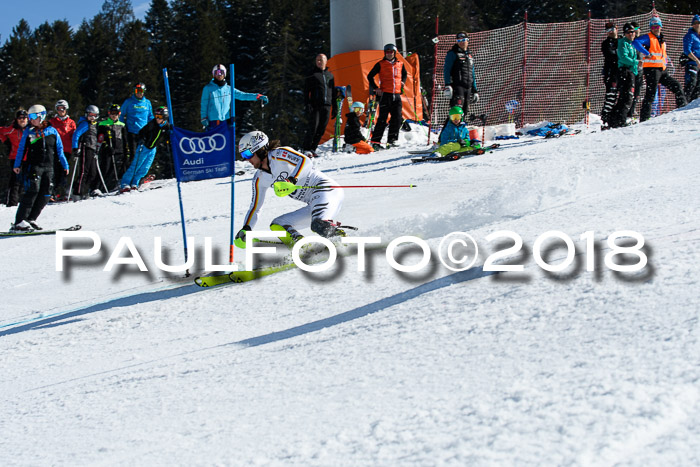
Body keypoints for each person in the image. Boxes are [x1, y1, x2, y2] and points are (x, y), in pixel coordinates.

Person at [235, 130, 346, 249]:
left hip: (327, 190)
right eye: (243, 156)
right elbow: (255, 207)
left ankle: (344, 242)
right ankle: (303, 248)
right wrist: (247, 228)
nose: (246, 160)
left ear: (259, 149)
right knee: (278, 225)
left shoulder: (279, 154)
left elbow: (305, 161)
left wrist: (292, 180)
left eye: (247, 154)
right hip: (313, 203)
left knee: (319, 225)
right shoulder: (259, 179)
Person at [11, 105, 68, 231]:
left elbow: (59, 150)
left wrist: (65, 165)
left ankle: (31, 219)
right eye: (29, 117)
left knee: (46, 194)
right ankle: (19, 222)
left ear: (41, 116)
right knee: (32, 191)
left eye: (32, 117)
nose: (30, 120)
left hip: (49, 167)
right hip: (34, 167)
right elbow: (21, 149)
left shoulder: (52, 131)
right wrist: (17, 164)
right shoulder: (29, 132)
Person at [633, 16, 687, 122]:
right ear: (650, 28)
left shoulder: (662, 39)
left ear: (661, 26)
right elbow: (635, 42)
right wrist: (647, 53)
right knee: (651, 93)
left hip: (662, 70)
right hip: (652, 70)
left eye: (657, 26)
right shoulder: (648, 37)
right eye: (653, 27)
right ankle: (644, 118)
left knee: (677, 86)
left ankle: (683, 109)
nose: (655, 28)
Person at [200, 64, 268, 130]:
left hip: (225, 121)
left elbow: (243, 95)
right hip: (213, 121)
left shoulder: (229, 89)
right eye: (217, 73)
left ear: (225, 74)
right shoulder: (208, 88)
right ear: (213, 74)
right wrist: (204, 117)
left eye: (221, 72)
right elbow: (204, 103)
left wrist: (258, 96)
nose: (219, 75)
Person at [120, 106, 170, 192]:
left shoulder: (166, 126)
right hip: (144, 147)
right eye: (156, 116)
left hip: (152, 149)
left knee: (145, 168)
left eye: (160, 117)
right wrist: (142, 139)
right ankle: (125, 183)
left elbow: (169, 134)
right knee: (136, 165)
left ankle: (135, 183)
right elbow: (142, 132)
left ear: (165, 117)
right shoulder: (152, 124)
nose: (157, 119)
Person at [367, 43, 407, 150]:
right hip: (386, 94)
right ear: (385, 53)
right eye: (387, 52)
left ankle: (392, 140)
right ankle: (376, 141)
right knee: (382, 119)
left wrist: (403, 82)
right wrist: (376, 88)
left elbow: (405, 74)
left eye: (391, 52)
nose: (389, 54)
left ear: (394, 53)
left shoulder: (400, 63)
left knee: (397, 118)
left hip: (397, 95)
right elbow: (370, 76)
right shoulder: (381, 64)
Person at [302, 54, 335, 157]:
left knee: (322, 128)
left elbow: (332, 92)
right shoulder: (313, 74)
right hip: (315, 104)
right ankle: (306, 148)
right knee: (313, 127)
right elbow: (306, 91)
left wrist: (335, 107)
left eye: (321, 60)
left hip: (327, 105)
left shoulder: (330, 76)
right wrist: (307, 104)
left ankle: (313, 148)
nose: (319, 62)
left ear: (326, 61)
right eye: (317, 60)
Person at [610, 23, 639, 128]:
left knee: (626, 97)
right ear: (625, 33)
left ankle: (615, 119)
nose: (631, 34)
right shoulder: (623, 43)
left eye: (633, 32)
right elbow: (623, 58)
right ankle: (619, 120)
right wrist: (636, 62)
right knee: (626, 97)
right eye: (629, 32)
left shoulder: (632, 43)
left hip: (631, 72)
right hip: (624, 72)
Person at [443, 32, 479, 119]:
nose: (461, 42)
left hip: (468, 86)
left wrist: (475, 89)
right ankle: (451, 130)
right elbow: (446, 70)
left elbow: (472, 72)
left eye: (463, 40)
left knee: (465, 111)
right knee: (457, 110)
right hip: (457, 86)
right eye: (459, 40)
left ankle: (461, 130)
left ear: (467, 41)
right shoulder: (452, 53)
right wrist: (448, 85)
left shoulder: (469, 55)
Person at [71, 105, 103, 199]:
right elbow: (76, 135)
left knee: (92, 172)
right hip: (86, 147)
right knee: (84, 171)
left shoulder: (94, 124)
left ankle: (85, 190)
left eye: (94, 116)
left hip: (92, 149)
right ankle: (78, 192)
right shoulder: (85, 124)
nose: (92, 117)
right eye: (90, 115)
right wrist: (75, 148)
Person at [48, 99, 76, 201]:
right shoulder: (52, 122)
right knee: (55, 171)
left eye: (63, 108)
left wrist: (76, 146)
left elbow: (74, 135)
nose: (61, 111)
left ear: (66, 109)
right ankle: (52, 193)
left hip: (66, 150)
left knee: (65, 171)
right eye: (58, 109)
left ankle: (63, 192)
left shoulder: (71, 122)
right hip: (55, 150)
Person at [98, 104, 129, 192]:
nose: (113, 115)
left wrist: (126, 150)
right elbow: (100, 138)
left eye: (116, 113)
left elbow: (124, 138)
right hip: (108, 150)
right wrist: (106, 146)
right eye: (112, 113)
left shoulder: (122, 125)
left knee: (120, 168)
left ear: (119, 114)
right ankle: (102, 187)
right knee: (106, 168)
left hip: (119, 149)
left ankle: (117, 184)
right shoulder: (103, 124)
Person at [0, 109, 29, 206]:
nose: (22, 120)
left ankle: (25, 203)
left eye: (24, 118)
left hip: (29, 158)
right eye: (20, 118)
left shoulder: (30, 129)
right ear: (16, 119)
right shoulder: (12, 129)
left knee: (27, 181)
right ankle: (12, 203)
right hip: (15, 158)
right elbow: (1, 131)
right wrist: (6, 142)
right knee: (15, 182)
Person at [120, 82, 154, 159]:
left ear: (144, 91)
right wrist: (122, 126)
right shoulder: (129, 102)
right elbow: (121, 114)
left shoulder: (147, 103)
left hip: (144, 132)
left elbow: (150, 116)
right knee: (133, 155)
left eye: (141, 91)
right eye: (136, 91)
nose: (139, 93)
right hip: (132, 132)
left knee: (143, 155)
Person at [600, 22, 619, 128]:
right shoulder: (606, 43)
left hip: (623, 72)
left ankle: (617, 117)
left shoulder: (622, 40)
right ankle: (606, 118)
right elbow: (611, 56)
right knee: (611, 96)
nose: (610, 32)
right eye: (607, 31)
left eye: (612, 29)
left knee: (625, 96)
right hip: (611, 73)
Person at [627, 22, 644, 120]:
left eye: (638, 28)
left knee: (637, 93)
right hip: (631, 70)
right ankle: (627, 113)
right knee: (629, 93)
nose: (637, 30)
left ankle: (632, 112)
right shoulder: (629, 41)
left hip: (640, 71)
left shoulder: (641, 41)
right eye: (635, 29)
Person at [682, 15, 700, 103]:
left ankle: (693, 103)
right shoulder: (690, 35)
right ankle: (685, 102)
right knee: (691, 83)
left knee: (698, 86)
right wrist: (696, 60)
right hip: (692, 63)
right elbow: (687, 50)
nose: (697, 25)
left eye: (698, 23)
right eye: (695, 23)